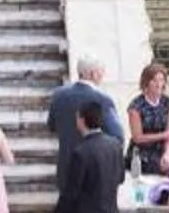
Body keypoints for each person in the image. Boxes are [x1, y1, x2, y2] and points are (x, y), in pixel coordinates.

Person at [45, 56, 123, 184]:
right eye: (101, 72)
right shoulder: (102, 99)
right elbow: (117, 136)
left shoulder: (58, 95)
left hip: (66, 167)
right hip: (93, 170)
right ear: (93, 73)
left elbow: (52, 126)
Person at [126, 62, 169, 176]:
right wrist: (163, 135)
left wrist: (167, 153)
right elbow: (137, 138)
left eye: (161, 80)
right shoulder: (136, 106)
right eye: (154, 81)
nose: (158, 84)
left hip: (162, 150)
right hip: (143, 153)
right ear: (146, 83)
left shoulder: (167, 102)